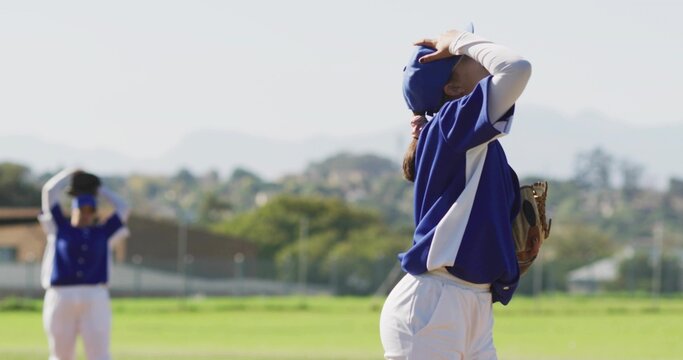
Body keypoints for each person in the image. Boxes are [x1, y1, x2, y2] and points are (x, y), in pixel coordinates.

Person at [379, 24, 532, 359]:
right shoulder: (451, 123)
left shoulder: (476, 143)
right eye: (463, 57)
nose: (477, 55)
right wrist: (459, 41)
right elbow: (517, 68)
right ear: (453, 87)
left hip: (472, 305)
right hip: (432, 307)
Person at [38, 168, 130, 360]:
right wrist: (69, 174)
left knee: (99, 354)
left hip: (94, 295)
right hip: (61, 295)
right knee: (61, 354)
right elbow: (48, 191)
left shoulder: (103, 232)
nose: (86, 214)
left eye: (90, 210)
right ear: (73, 209)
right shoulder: (58, 227)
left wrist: (99, 189)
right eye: (82, 209)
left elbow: (124, 208)